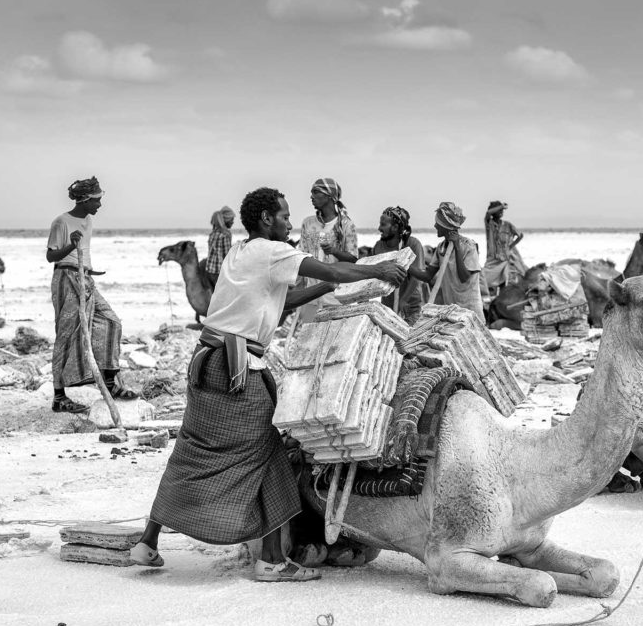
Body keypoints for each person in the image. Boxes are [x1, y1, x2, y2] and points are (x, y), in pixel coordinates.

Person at [130, 187, 405, 581]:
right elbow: (332, 269)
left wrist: (326, 289)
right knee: (272, 455)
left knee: (191, 450)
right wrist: (376, 270)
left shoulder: (240, 253)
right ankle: (272, 561)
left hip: (205, 363)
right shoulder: (273, 252)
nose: (290, 223)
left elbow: (283, 302)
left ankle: (147, 543)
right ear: (265, 219)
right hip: (236, 370)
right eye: (284, 216)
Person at [46, 176, 139, 413]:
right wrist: (70, 245)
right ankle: (59, 397)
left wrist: (88, 268)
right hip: (67, 280)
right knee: (66, 335)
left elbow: (83, 252)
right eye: (97, 200)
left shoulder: (87, 220)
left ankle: (109, 383)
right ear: (85, 200)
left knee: (111, 322)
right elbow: (52, 257)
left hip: (85, 278)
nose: (100, 205)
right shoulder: (61, 222)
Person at [409, 201, 485, 323]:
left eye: (437, 223)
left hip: (470, 310)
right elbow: (428, 275)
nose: (435, 226)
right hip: (452, 310)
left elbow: (464, 277)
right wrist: (407, 267)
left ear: (445, 226)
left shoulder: (468, 246)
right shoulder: (441, 248)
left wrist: (456, 247)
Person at [296, 177, 359, 321]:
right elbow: (301, 256)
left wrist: (334, 251)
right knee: (308, 338)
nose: (311, 196)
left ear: (329, 196)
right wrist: (297, 288)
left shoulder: (346, 224)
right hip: (310, 295)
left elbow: (353, 259)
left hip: (335, 297)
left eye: (316, 192)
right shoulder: (308, 223)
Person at [371, 206, 426, 324]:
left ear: (395, 227)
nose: (379, 228)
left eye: (383, 224)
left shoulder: (412, 244)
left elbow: (417, 277)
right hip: (387, 308)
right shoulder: (378, 246)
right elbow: (372, 273)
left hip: (410, 308)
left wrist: (403, 300)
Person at [482, 200, 526, 297]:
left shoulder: (507, 225)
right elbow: (488, 213)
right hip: (492, 260)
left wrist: (510, 247)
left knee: (503, 282)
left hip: (504, 259)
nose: (502, 211)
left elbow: (520, 235)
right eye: (499, 210)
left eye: (502, 210)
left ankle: (500, 301)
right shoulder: (489, 224)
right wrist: (502, 206)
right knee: (485, 281)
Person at [205, 205, 235, 288]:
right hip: (218, 273)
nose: (233, 222)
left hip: (209, 271)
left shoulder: (213, 233)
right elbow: (227, 257)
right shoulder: (225, 235)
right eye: (232, 220)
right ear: (226, 220)